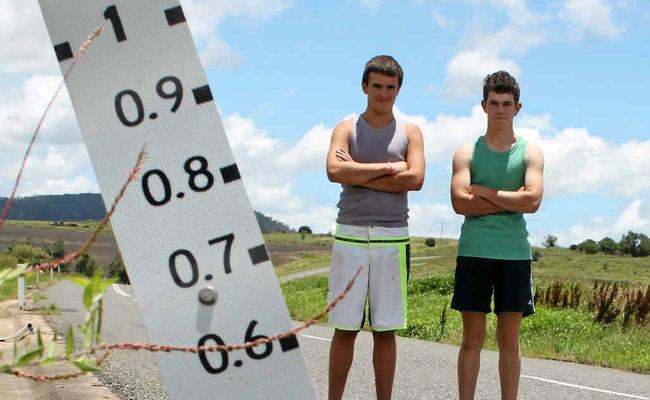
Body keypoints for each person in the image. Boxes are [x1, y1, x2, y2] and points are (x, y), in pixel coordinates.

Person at [325, 55, 425, 400]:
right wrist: (388, 169)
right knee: (345, 328)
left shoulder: (410, 131)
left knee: (385, 332)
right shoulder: (346, 127)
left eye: (390, 87)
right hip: (349, 233)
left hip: (392, 238)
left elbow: (415, 179)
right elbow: (335, 172)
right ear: (364, 86)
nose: (383, 94)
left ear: (398, 89)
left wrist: (359, 172)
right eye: (377, 86)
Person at [450, 70, 544, 400]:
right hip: (474, 251)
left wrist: (486, 192)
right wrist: (509, 200)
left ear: (517, 107)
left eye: (506, 104)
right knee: (472, 338)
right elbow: (460, 203)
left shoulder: (530, 153)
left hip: (514, 254)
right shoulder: (467, 152)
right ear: (483, 106)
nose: (500, 110)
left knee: (509, 339)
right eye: (494, 103)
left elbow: (532, 200)